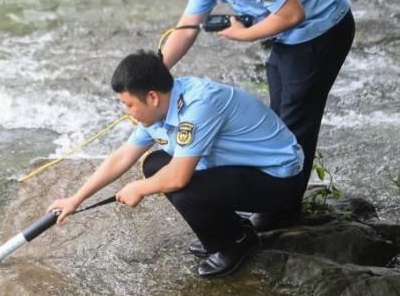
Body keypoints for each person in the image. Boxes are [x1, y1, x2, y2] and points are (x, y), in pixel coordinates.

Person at [149, 0, 354, 225]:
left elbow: (292, 14)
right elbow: (187, 28)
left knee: (297, 116)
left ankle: (282, 209)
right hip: (290, 34)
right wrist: (155, 74)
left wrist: (244, 35)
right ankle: (276, 195)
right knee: (279, 114)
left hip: (322, 27)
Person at [48, 50, 304, 278]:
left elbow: (178, 177)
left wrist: (139, 188)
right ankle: (231, 230)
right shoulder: (160, 109)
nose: (127, 112)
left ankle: (236, 242)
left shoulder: (199, 105)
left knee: (182, 189)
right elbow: (122, 156)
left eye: (129, 105)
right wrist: (76, 199)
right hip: (241, 170)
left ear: (152, 97)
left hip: (277, 180)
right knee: (155, 165)